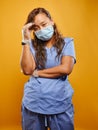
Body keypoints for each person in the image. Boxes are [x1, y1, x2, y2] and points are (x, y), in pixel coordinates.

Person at [20, 7, 76, 130]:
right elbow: (28, 70)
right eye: (36, 28)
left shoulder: (67, 43)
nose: (41, 30)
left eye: (44, 24)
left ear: (52, 21)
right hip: (33, 103)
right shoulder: (32, 46)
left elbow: (66, 69)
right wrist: (25, 40)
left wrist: (37, 73)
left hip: (59, 102)